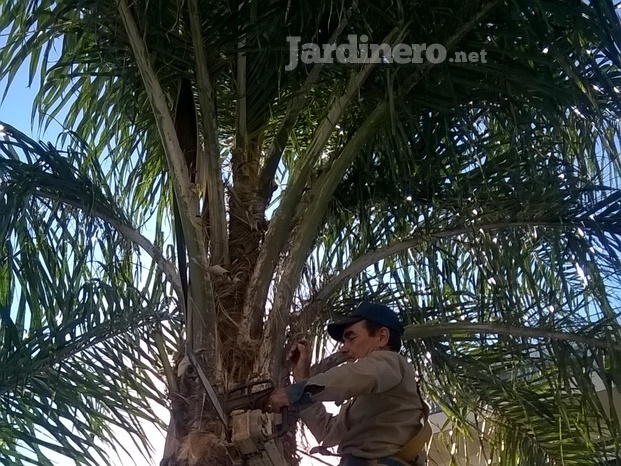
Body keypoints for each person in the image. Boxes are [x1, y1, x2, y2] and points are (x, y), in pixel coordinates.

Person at [263, 302, 430, 466]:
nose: (343, 348)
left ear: (382, 337)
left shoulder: (391, 362)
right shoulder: (369, 396)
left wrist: (292, 393)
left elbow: (352, 377)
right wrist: (301, 378)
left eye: (351, 338)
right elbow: (327, 431)